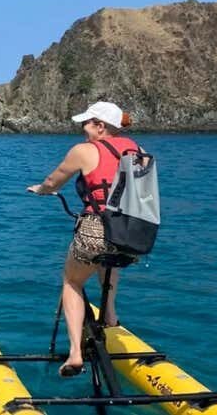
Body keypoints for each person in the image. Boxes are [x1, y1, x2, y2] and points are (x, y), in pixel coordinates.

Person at [26, 101, 138, 378]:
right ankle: (110, 315)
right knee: (109, 261)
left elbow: (54, 180)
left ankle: (75, 353)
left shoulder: (84, 151)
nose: (83, 129)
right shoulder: (137, 149)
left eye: (87, 124)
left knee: (72, 281)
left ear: (101, 126)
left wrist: (41, 190)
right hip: (133, 233)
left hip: (95, 230)